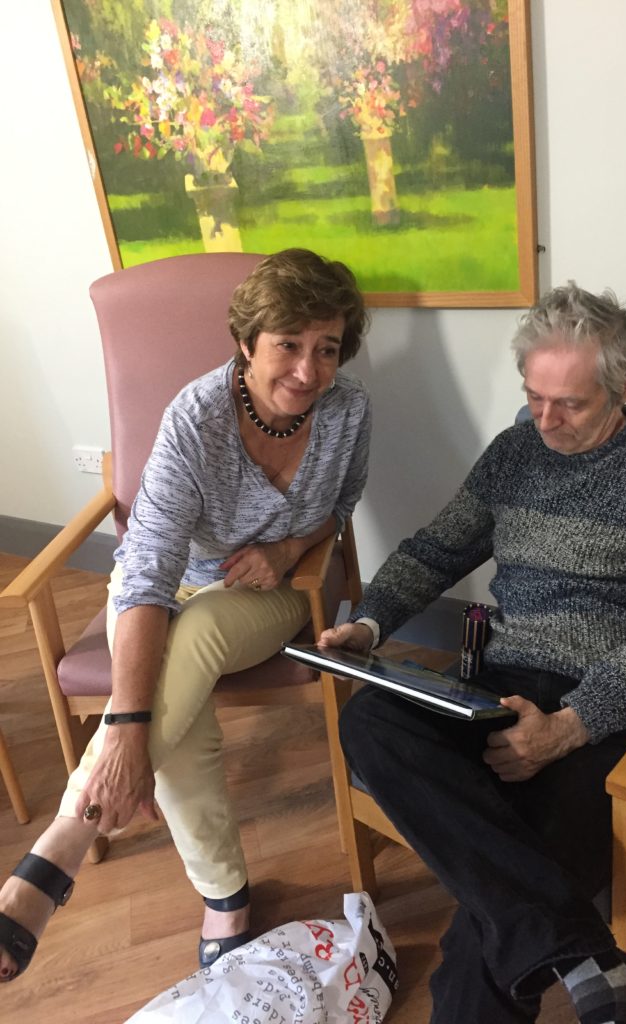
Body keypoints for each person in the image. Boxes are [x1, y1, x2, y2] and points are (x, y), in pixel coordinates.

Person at [320, 282, 626, 1024]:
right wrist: (372, 623)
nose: (544, 419)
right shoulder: (515, 453)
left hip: (615, 710)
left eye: (568, 403)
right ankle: (591, 959)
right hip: (502, 683)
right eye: (532, 396)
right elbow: (438, 549)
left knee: (500, 896)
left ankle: (569, 958)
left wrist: (568, 726)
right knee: (371, 723)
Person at [0, 248, 372, 983]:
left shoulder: (348, 411)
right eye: (288, 345)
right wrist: (130, 729)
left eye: (327, 349)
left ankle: (63, 842)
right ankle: (225, 898)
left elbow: (340, 507)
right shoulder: (194, 419)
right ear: (246, 343)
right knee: (180, 702)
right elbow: (144, 572)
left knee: (196, 637)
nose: (308, 370)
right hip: (159, 589)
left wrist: (290, 544)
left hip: (261, 596)